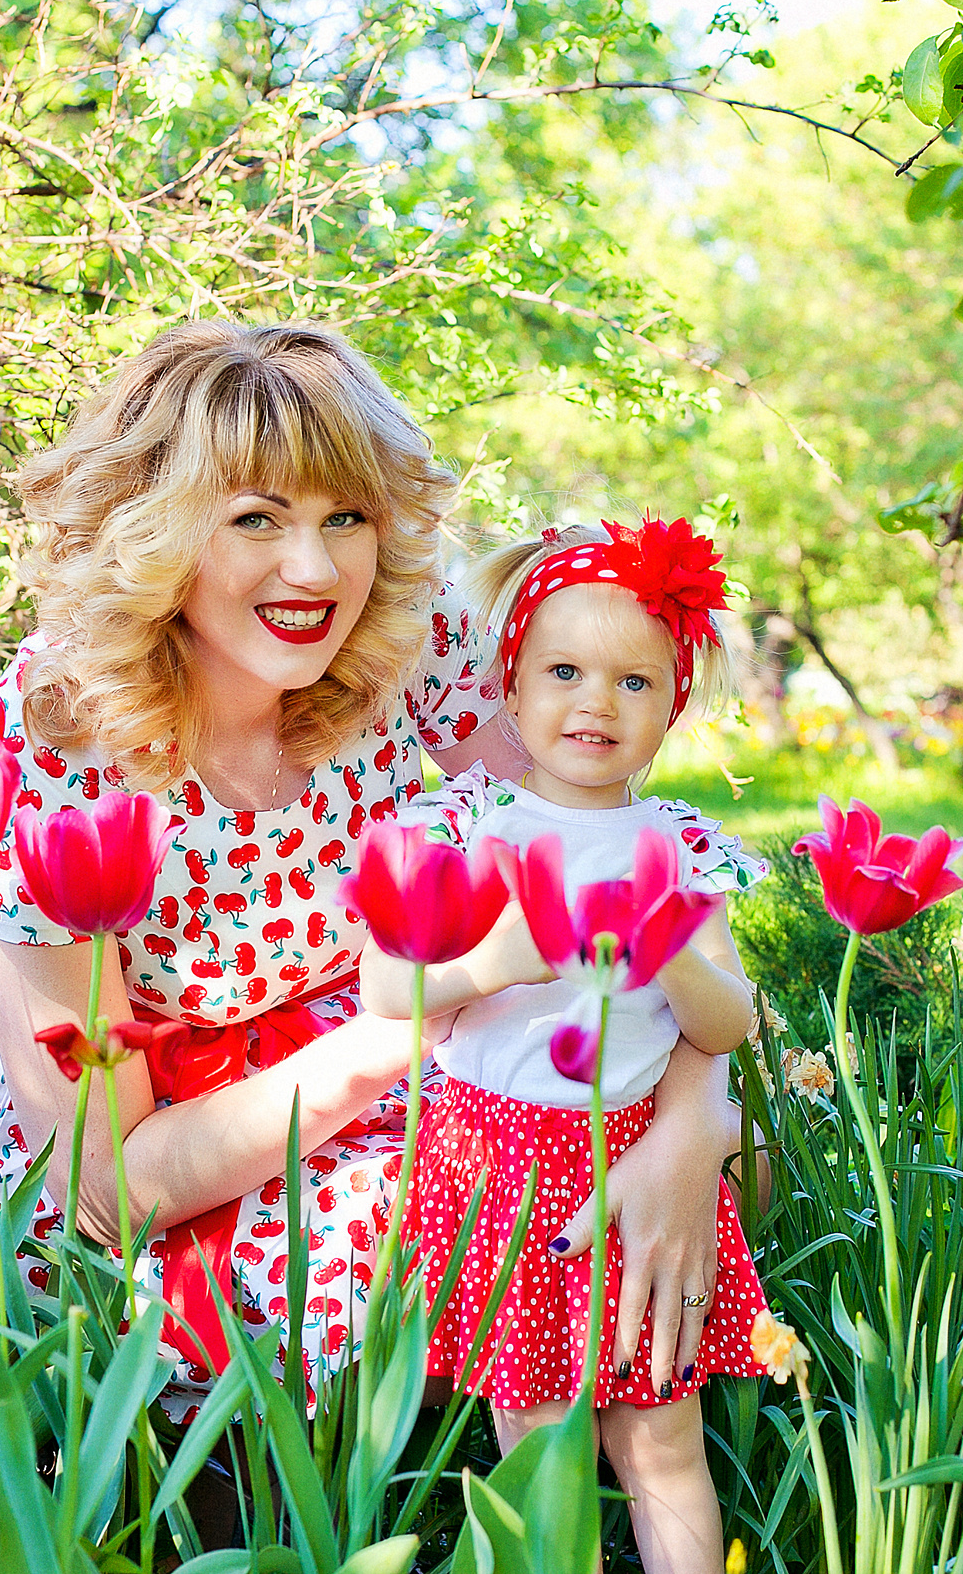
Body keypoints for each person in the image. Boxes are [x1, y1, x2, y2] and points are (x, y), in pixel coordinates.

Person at [0, 321, 742, 1415]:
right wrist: (421, 1018)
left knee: (687, 1181)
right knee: (421, 1253)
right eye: (256, 518)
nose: (314, 570)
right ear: (156, 529)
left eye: (345, 516)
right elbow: (105, 1190)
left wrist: (692, 1126)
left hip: (380, 1036)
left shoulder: (404, 637)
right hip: (167, 1128)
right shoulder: (62, 731)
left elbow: (604, 863)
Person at [360, 519, 770, 1574]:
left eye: (634, 682)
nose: (597, 702)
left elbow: (730, 1021)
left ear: (673, 705)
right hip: (493, 1163)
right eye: (564, 672)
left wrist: (673, 957)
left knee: (661, 1435)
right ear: (509, 684)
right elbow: (385, 987)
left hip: (630, 1156)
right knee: (542, 1440)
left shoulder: (677, 845)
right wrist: (489, 962)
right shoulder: (469, 823)